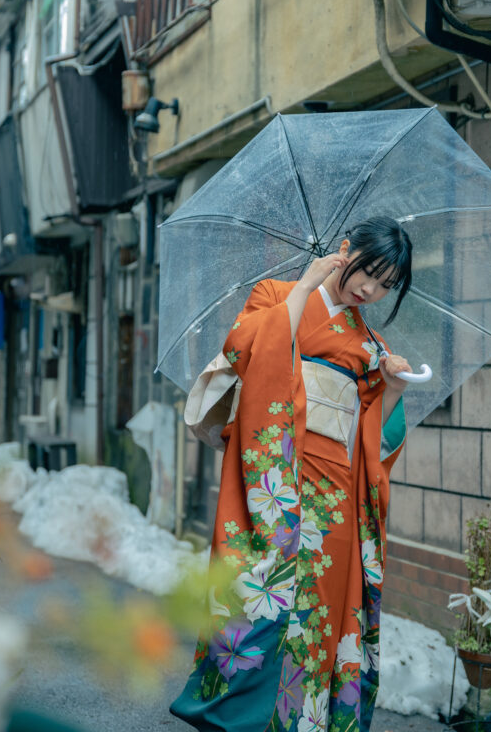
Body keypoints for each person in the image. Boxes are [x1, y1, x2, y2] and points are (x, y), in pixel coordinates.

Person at [170, 216, 413, 732]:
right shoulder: (275, 292)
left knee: (321, 611)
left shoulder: (370, 345)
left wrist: (391, 389)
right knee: (259, 591)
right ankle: (238, 717)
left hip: (335, 494)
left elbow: (372, 436)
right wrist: (303, 287)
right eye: (368, 272)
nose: (371, 289)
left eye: (385, 284)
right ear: (346, 251)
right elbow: (248, 352)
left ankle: (304, 721)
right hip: (276, 478)